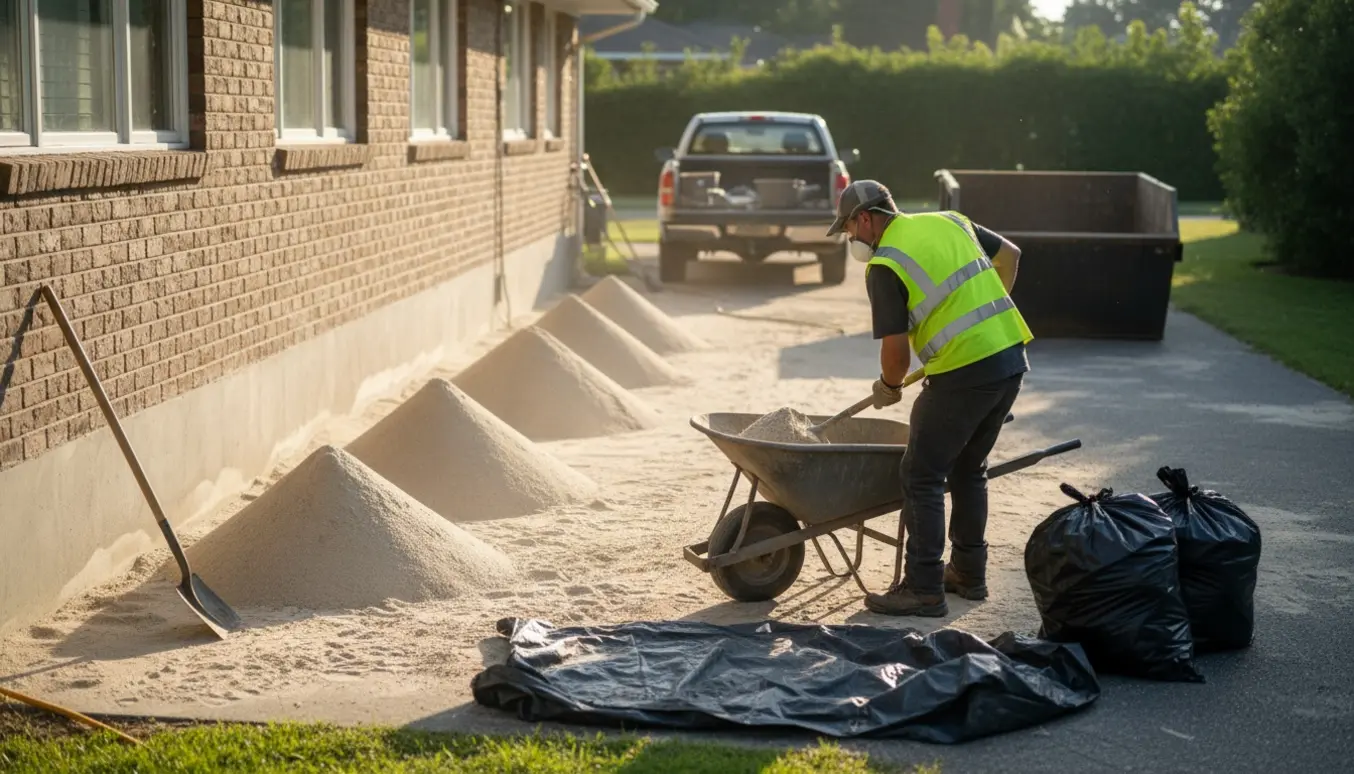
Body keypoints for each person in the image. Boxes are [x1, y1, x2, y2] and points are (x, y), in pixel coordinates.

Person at [825, 180, 1034, 617]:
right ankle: (968, 575)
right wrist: (985, 319)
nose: (850, 239)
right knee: (968, 468)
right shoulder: (949, 220)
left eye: (848, 228)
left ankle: (922, 587)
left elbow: (896, 354)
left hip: (963, 372)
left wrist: (889, 386)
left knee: (921, 475)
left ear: (866, 218)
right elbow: (1010, 256)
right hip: (1010, 357)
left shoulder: (884, 265)